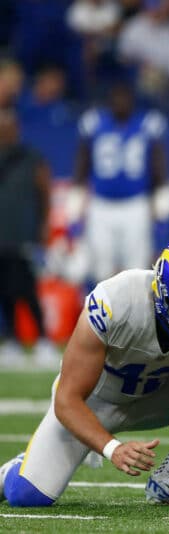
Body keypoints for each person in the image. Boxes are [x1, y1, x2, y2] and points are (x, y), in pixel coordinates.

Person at [0, 232, 169, 507]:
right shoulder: (116, 300)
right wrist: (111, 448)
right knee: (27, 496)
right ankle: (12, 470)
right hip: (94, 403)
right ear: (162, 288)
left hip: (157, 395)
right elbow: (67, 399)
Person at [68, 83, 169, 284]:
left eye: (125, 97)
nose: (121, 103)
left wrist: (161, 210)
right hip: (101, 205)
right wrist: (74, 210)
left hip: (135, 205)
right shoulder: (94, 124)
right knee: (102, 270)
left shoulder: (147, 125)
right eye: (117, 97)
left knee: (138, 271)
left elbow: (159, 172)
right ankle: (105, 314)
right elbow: (81, 169)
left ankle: (136, 315)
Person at [0, 109, 60, 366]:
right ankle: (12, 339)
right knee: (4, 289)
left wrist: (45, 224)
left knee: (26, 288)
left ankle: (43, 339)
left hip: (23, 231)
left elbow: (45, 191)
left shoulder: (30, 158)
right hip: (1, 233)